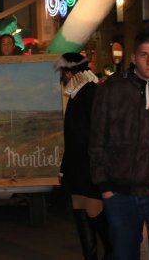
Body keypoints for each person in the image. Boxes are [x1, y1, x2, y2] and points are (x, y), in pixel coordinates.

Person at [89, 26, 149, 260]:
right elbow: (97, 137)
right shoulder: (112, 89)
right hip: (119, 194)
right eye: (144, 55)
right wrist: (104, 186)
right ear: (133, 58)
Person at [55, 53, 111, 260]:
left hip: (90, 168)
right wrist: (64, 167)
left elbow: (95, 135)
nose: (62, 76)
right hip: (77, 169)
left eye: (63, 72)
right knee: (80, 209)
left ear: (69, 73)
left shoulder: (90, 94)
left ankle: (112, 252)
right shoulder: (78, 94)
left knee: (94, 211)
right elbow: (73, 138)